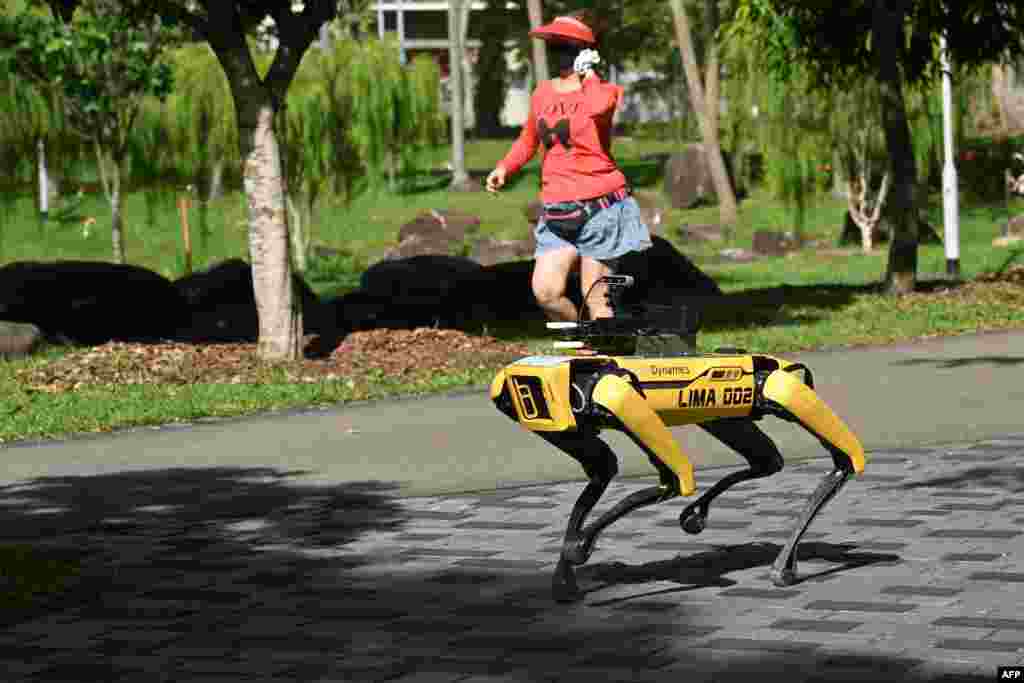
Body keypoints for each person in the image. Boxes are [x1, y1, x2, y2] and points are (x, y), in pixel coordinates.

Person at [485, 12, 652, 323]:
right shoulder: (543, 92)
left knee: (597, 297)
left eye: (563, 47)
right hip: (557, 211)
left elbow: (598, 108)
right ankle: (576, 348)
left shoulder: (603, 90)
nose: (556, 54)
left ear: (582, 51)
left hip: (602, 207)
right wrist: (505, 167)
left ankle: (603, 359)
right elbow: (528, 139)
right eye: (552, 48)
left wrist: (589, 74)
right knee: (546, 292)